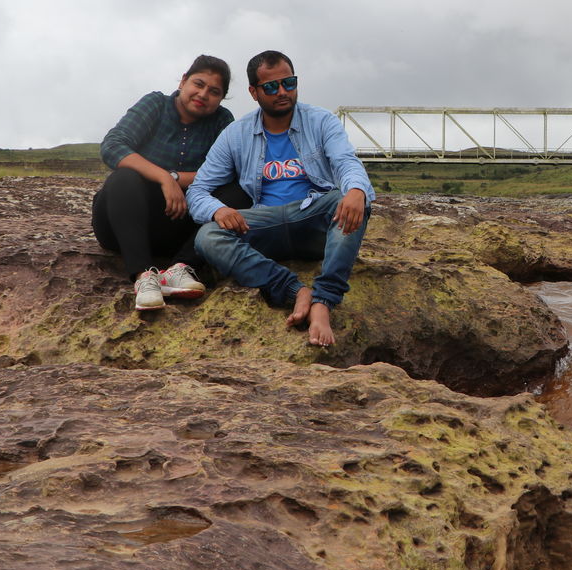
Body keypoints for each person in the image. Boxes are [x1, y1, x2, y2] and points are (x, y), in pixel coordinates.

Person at [188, 50, 374, 347]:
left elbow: (346, 162)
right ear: (254, 92)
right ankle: (294, 290)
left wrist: (356, 191)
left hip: (312, 216)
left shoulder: (321, 121)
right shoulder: (235, 134)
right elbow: (197, 191)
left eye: (289, 83)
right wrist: (218, 210)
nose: (283, 92)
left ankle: (323, 301)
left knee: (350, 199)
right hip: (265, 224)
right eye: (271, 87)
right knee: (208, 236)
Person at [92, 54, 250, 311]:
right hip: (124, 223)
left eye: (214, 91)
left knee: (240, 191)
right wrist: (164, 178)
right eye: (198, 84)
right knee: (124, 177)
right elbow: (112, 146)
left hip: (179, 226)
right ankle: (144, 277)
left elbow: (229, 171)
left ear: (221, 99)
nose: (203, 94)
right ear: (183, 81)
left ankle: (180, 269)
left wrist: (178, 179)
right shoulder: (156, 104)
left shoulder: (221, 121)